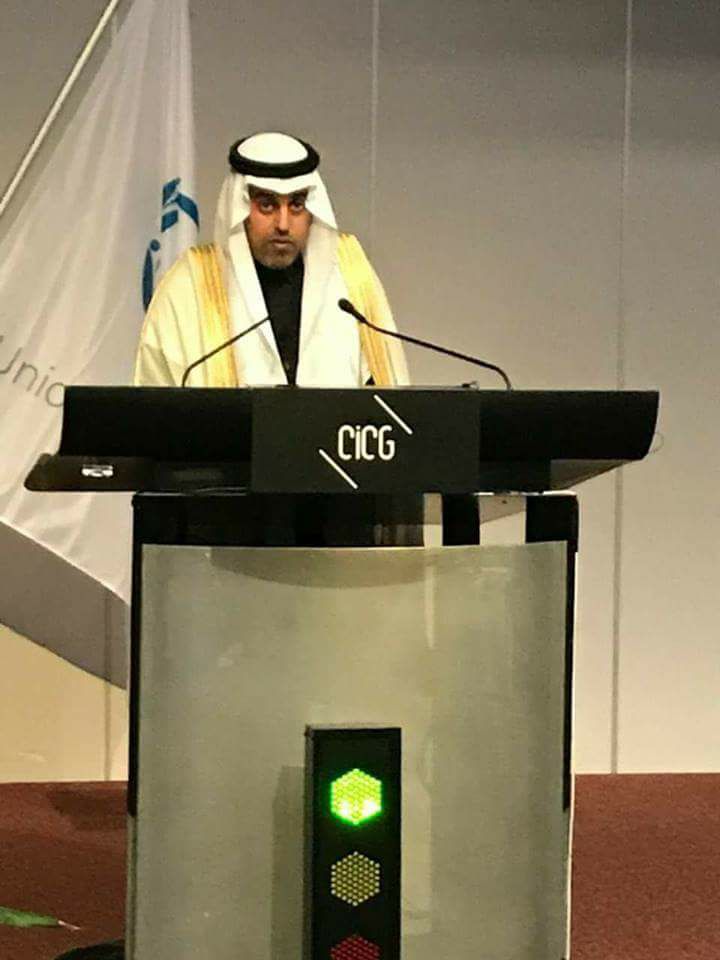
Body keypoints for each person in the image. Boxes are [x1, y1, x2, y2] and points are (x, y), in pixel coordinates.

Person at [134, 131, 408, 388]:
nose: (283, 224)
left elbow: (386, 393)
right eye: (267, 205)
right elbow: (157, 402)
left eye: (296, 205)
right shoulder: (190, 285)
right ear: (240, 208)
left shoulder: (349, 273)